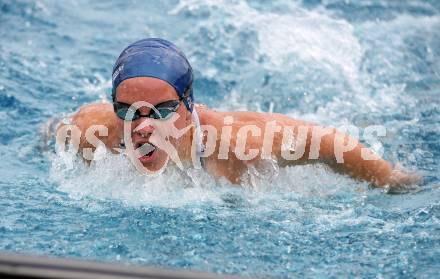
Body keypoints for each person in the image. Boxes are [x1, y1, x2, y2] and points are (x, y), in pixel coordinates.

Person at [57, 38, 420, 191]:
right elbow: (47, 138)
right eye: (128, 110)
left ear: (188, 106)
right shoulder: (92, 133)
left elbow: (329, 142)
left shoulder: (237, 145)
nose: (144, 126)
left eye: (163, 110)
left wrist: (394, 182)